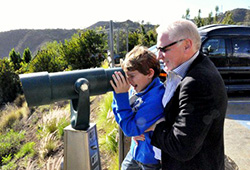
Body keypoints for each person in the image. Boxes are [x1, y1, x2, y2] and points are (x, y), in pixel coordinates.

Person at [148, 19, 228, 170]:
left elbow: (182, 147)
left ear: (187, 45)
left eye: (164, 49)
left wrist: (154, 127)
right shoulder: (189, 69)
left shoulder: (197, 83)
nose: (158, 56)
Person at [110, 45, 165, 170]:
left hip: (150, 160)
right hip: (135, 152)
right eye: (126, 76)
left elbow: (129, 128)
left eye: (132, 76)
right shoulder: (137, 89)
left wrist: (120, 96)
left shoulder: (156, 97)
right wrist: (119, 96)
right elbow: (123, 121)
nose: (128, 81)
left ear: (150, 73)